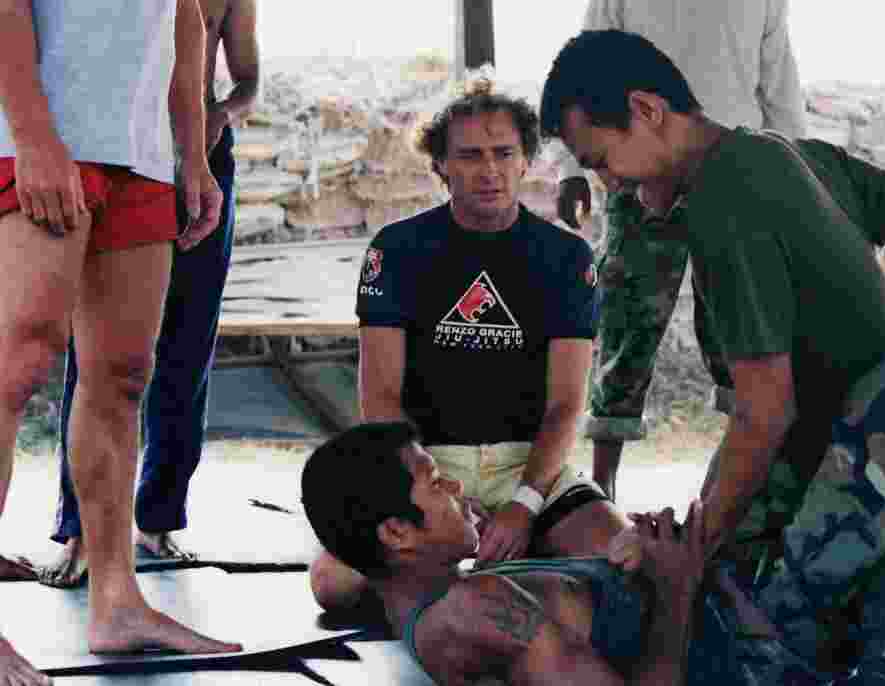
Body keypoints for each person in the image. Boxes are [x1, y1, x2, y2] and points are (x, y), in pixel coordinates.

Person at [536, 27, 885, 676]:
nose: (608, 184)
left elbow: (764, 415)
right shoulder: (785, 153)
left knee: (769, 653)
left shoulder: (721, 197)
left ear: (647, 110)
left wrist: (687, 551)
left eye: (600, 160)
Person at [302, 418, 885, 685]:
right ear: (395, 534)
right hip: (768, 647)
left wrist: (641, 554)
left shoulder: (433, 594)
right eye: (433, 480)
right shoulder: (473, 612)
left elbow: (340, 579)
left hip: (754, 609)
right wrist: (677, 583)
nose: (455, 485)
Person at [308, 78, 625, 611]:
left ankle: (474, 582)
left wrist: (524, 504)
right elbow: (379, 398)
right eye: (469, 155)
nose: (489, 169)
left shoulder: (566, 258)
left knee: (622, 562)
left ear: (526, 161)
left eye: (504, 153)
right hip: (428, 465)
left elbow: (567, 404)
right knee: (333, 583)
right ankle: (491, 586)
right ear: (441, 166)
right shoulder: (397, 249)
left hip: (530, 465)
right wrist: (432, 499)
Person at [0, 0, 242, 680]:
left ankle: (116, 602)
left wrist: (192, 154)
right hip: (36, 136)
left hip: (140, 150)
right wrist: (33, 136)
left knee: (123, 375)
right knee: (18, 363)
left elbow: (184, 17)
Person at [40, 0, 260, 589]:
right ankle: (81, 531)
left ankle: (159, 518)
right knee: (96, 351)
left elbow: (248, 82)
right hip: (115, 148)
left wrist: (218, 116)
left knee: (188, 343)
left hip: (200, 156)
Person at [554, 0, 806, 502]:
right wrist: (572, 168)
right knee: (628, 322)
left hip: (733, 173)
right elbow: (580, 72)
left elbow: (778, 84)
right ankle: (603, 486)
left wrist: (795, 177)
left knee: (737, 325)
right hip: (637, 166)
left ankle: (742, 481)